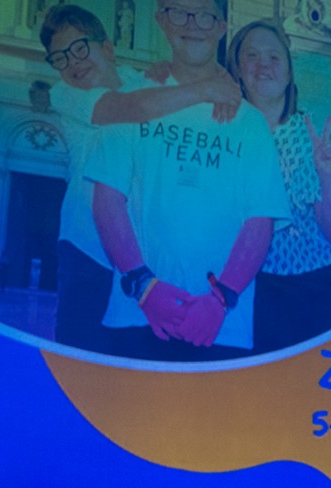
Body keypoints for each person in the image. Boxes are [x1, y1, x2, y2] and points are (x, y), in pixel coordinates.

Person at [86, 0, 290, 361]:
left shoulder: (250, 123)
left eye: (205, 15)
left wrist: (221, 299)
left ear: (221, 26)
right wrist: (144, 286)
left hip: (221, 328)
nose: (192, 24)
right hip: (135, 317)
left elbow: (260, 220)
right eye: (179, 12)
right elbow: (108, 199)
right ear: (161, 20)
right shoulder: (130, 103)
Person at [40, 3, 241, 353]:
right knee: (80, 351)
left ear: (107, 48)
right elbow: (129, 108)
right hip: (86, 247)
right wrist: (207, 88)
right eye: (60, 57)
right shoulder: (66, 94)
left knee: (128, 353)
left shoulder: (142, 81)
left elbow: (178, 85)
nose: (72, 63)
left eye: (80, 48)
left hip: (136, 250)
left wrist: (221, 81)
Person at [227, 19, 331, 354]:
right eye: (252, 56)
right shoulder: (225, 135)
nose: (263, 64)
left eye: (274, 57)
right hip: (243, 288)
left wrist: (327, 176)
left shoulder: (310, 138)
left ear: (288, 73)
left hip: (312, 294)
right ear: (237, 70)